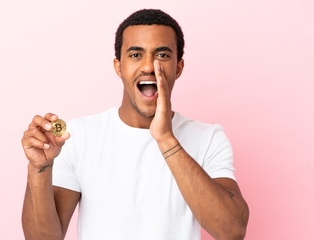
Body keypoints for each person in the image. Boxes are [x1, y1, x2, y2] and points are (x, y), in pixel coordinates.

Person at [21, 9, 249, 240]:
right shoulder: (78, 137)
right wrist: (38, 168)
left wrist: (166, 139)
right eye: (136, 55)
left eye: (162, 55)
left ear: (178, 68)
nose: (149, 66)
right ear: (118, 67)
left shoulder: (208, 138)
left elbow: (231, 231)